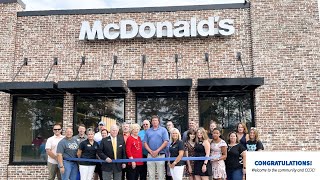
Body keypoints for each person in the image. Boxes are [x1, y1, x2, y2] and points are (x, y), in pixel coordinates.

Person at [143, 115, 169, 180]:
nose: (154, 122)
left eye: (156, 120)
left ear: (158, 122)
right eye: (153, 120)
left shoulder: (163, 130)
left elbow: (166, 142)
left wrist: (157, 151)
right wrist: (151, 151)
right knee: (151, 174)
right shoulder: (148, 131)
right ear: (151, 122)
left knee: (161, 175)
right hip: (150, 155)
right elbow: (145, 143)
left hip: (160, 155)